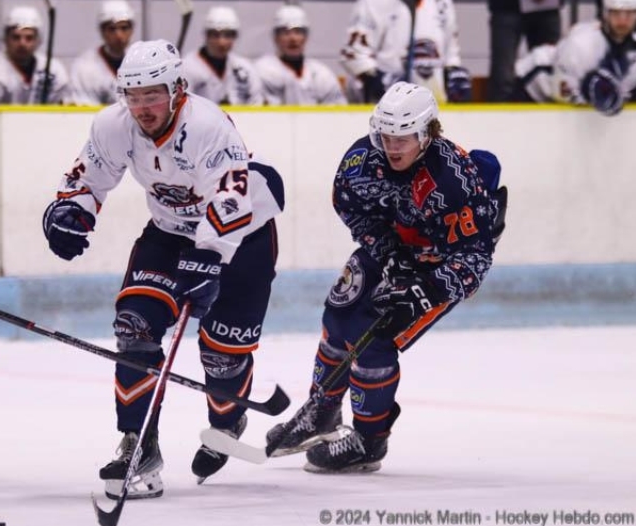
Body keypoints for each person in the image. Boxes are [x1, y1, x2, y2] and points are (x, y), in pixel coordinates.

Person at [42, 40, 284, 497]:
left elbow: (231, 195)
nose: (142, 107)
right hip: (170, 234)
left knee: (221, 353)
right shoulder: (114, 126)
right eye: (132, 96)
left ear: (178, 89)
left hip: (242, 237)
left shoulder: (208, 124)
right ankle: (138, 443)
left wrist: (209, 254)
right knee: (135, 325)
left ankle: (228, 421)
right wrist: (71, 212)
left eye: (152, 94)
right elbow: (87, 178)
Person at [265, 81, 506, 473]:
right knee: (338, 314)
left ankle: (369, 440)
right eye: (386, 135)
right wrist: (388, 252)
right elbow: (349, 207)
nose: (393, 146)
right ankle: (322, 411)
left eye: (404, 137)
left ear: (427, 133)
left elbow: (476, 257)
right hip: (392, 250)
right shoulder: (362, 160)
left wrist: (425, 292)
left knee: (374, 337)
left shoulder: (453, 180)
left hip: (436, 267)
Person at [513, 0, 636, 115]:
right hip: (533, 85)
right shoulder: (581, 42)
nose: (623, 21)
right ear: (605, 14)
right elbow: (561, 90)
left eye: (629, 14)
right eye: (616, 13)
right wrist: (587, 93)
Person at [343, 0, 473, 103]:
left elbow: (451, 54)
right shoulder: (373, 3)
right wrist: (379, 80)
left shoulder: (442, 4)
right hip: (386, 108)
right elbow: (354, 55)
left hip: (433, 105)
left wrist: (454, 73)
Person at [254, 5, 347, 105]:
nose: (293, 39)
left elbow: (339, 112)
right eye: (286, 33)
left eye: (298, 32)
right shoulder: (261, 70)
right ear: (276, 38)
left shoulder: (321, 74)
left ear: (306, 37)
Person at [0, 6, 70, 104]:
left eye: (29, 38)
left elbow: (59, 114)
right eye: (16, 37)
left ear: (38, 41)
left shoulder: (53, 69)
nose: (22, 43)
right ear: (5, 39)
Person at [182, 6, 265, 105]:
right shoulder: (187, 67)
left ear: (235, 36)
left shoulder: (244, 68)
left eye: (228, 35)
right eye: (215, 35)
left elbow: (256, 103)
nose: (221, 42)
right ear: (207, 35)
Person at [486, 0, 562, 101]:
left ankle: (553, 116)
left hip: (547, 9)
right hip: (507, 8)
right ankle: (499, 114)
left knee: (550, 75)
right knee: (503, 78)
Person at [68, 0, 136, 106]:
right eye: (112, 29)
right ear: (102, 31)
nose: (119, 35)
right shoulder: (84, 67)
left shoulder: (141, 62)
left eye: (124, 28)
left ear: (132, 30)